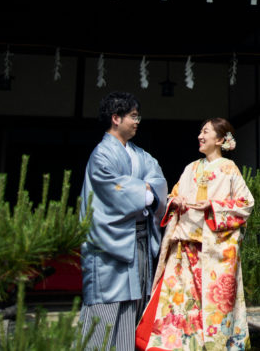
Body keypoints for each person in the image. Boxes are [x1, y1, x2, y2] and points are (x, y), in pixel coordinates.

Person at [135, 117, 254, 351]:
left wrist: (213, 206)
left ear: (220, 139)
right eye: (200, 131)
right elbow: (173, 195)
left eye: (206, 132)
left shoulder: (229, 169)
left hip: (212, 251)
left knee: (210, 308)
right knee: (176, 305)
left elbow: (245, 204)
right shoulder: (191, 168)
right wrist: (175, 201)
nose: (200, 136)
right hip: (183, 249)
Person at [80, 91, 168, 351]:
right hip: (109, 247)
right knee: (104, 311)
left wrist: (148, 194)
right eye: (133, 116)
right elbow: (115, 189)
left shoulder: (141, 154)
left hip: (137, 243)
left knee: (133, 309)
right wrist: (146, 193)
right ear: (115, 118)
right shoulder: (101, 155)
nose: (137, 121)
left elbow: (158, 182)